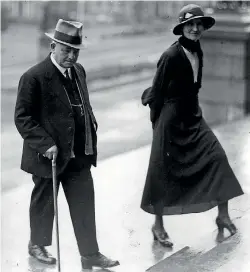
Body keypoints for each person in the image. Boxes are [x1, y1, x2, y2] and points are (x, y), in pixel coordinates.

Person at [14, 19, 120, 269]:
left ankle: (90, 254)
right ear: (53, 46)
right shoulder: (34, 77)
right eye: (66, 50)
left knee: (84, 202)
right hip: (47, 156)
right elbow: (22, 117)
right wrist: (45, 144)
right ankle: (37, 245)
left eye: (75, 51)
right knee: (44, 202)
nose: (71, 56)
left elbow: (83, 106)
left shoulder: (79, 71)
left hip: (78, 153)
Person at [140, 4, 244, 247]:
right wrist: (157, 124)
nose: (195, 29)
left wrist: (194, 111)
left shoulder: (198, 50)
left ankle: (223, 215)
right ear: (182, 28)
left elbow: (194, 85)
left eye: (198, 24)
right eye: (190, 25)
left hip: (192, 115)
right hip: (170, 118)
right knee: (162, 169)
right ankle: (158, 225)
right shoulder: (170, 56)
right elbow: (157, 92)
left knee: (217, 156)